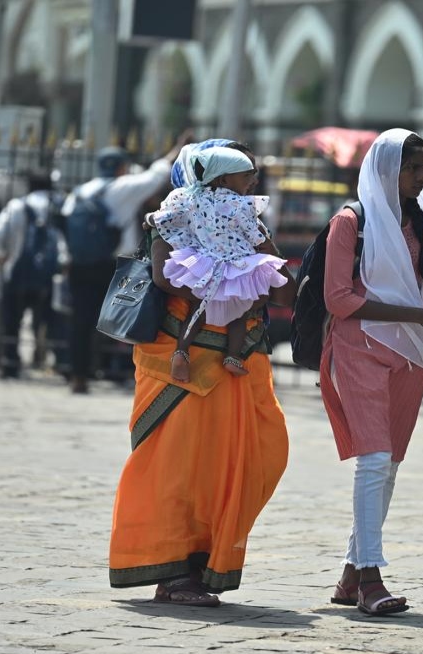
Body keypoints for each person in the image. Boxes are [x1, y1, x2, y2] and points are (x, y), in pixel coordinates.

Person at [109, 136, 294, 607]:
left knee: (252, 458)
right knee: (179, 468)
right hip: (180, 364)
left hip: (238, 361)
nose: (249, 183)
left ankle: (205, 563)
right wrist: (214, 286)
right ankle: (174, 571)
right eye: (239, 173)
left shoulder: (242, 220)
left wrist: (249, 257)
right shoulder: (174, 219)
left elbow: (276, 280)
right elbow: (162, 277)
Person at [322, 130, 423, 616]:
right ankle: (370, 579)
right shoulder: (351, 223)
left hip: (411, 357)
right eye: (411, 167)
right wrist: (419, 319)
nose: (420, 176)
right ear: (386, 169)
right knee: (374, 459)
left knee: (389, 467)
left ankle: (349, 572)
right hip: (359, 347)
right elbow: (339, 300)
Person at [150, 146, 287, 382]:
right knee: (242, 311)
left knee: (197, 311)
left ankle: (181, 352)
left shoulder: (190, 197)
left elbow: (165, 218)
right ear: (225, 178)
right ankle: (233, 356)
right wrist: (263, 243)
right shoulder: (240, 204)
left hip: (205, 265)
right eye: (247, 176)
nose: (252, 181)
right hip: (237, 266)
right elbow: (254, 234)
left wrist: (149, 220)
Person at [61, 144, 178, 394]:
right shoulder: (122, 187)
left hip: (79, 264)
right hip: (113, 265)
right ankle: (126, 370)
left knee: (81, 321)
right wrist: (174, 150)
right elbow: (157, 175)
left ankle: (79, 374)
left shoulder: (80, 192)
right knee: (127, 315)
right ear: (122, 167)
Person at [0, 172, 66, 378]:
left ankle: (10, 362)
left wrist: (2, 256)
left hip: (18, 271)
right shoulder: (60, 203)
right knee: (54, 320)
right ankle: (60, 362)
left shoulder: (17, 206)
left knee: (12, 321)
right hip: (51, 274)